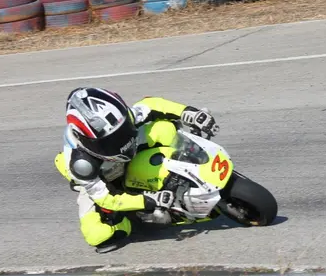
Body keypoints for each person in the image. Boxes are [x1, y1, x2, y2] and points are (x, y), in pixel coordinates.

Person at [53, 87, 220, 252]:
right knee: (98, 235)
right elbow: (106, 199)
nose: (121, 141)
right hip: (105, 180)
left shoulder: (117, 119)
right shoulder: (82, 165)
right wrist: (148, 200)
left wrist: (189, 113)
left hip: (127, 149)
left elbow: (152, 105)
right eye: (112, 140)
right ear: (88, 141)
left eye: (124, 129)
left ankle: (198, 157)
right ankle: (131, 219)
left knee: (165, 129)